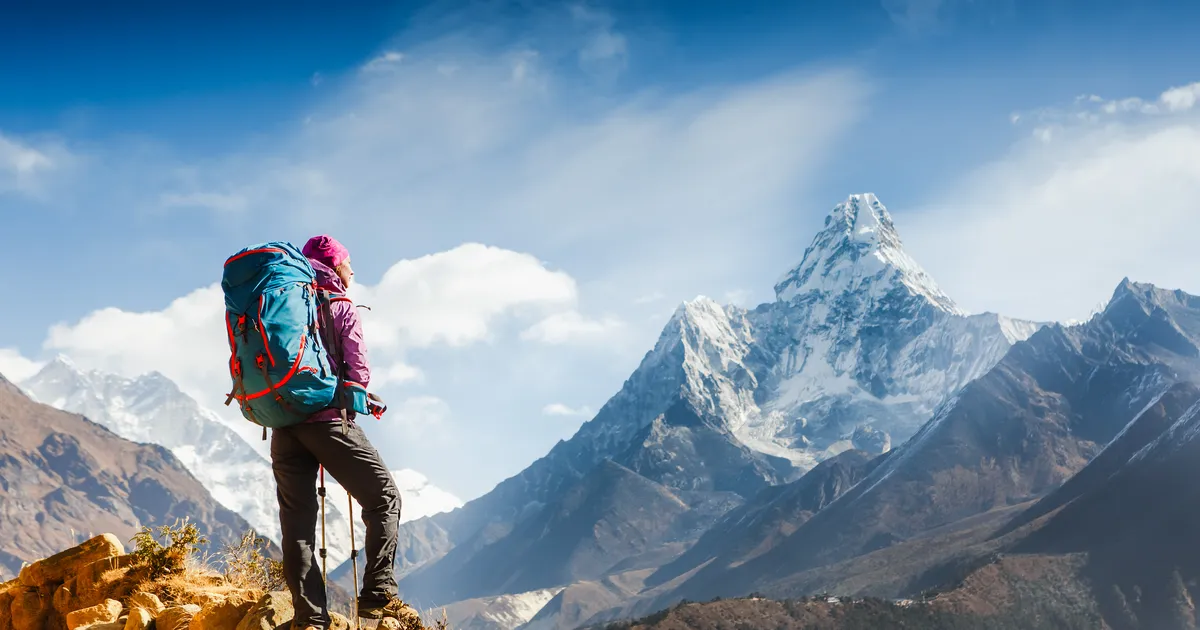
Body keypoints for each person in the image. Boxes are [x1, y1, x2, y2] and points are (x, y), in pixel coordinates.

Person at [270, 234, 404, 629]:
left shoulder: (285, 303)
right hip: (329, 423)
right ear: (335, 266)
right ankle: (378, 595)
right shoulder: (339, 303)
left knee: (297, 525)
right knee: (384, 499)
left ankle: (310, 619)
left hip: (283, 425)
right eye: (348, 263)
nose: (352, 270)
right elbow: (358, 371)